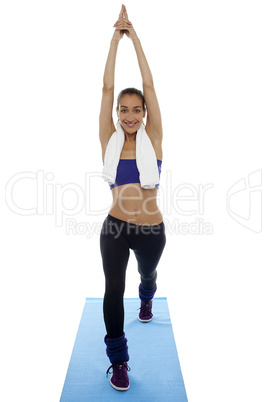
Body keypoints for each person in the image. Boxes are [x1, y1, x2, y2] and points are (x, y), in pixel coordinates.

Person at [99, 4, 166, 392]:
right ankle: (119, 360)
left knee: (147, 274)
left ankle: (147, 295)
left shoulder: (153, 139)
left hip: (152, 229)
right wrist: (114, 38)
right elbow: (107, 88)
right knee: (112, 289)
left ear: (143, 114)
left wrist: (135, 37)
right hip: (114, 228)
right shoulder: (107, 140)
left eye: (135, 110)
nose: (129, 115)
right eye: (123, 110)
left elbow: (150, 85)